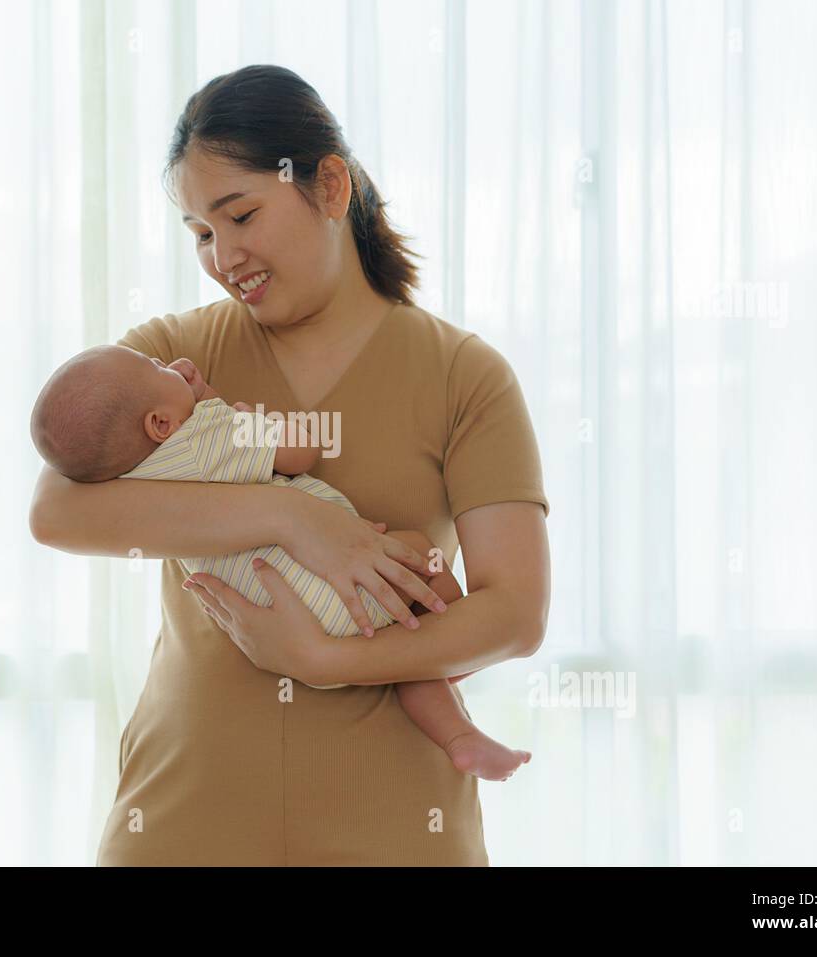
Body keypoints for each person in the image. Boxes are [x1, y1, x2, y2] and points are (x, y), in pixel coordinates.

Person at [29, 64, 551, 865]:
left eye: (241, 215)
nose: (223, 254)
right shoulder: (171, 360)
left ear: (331, 185)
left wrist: (325, 660)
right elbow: (56, 513)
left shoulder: (464, 376)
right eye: (202, 234)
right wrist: (289, 515)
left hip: (395, 831)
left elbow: (514, 614)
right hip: (183, 822)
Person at [27, 345, 534, 779]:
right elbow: (300, 453)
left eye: (242, 221)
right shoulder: (208, 432)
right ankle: (451, 724)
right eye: (160, 368)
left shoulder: (129, 477)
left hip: (264, 609)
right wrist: (240, 416)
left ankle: (453, 727)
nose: (176, 364)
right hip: (334, 590)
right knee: (423, 564)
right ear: (160, 423)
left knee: (404, 625)